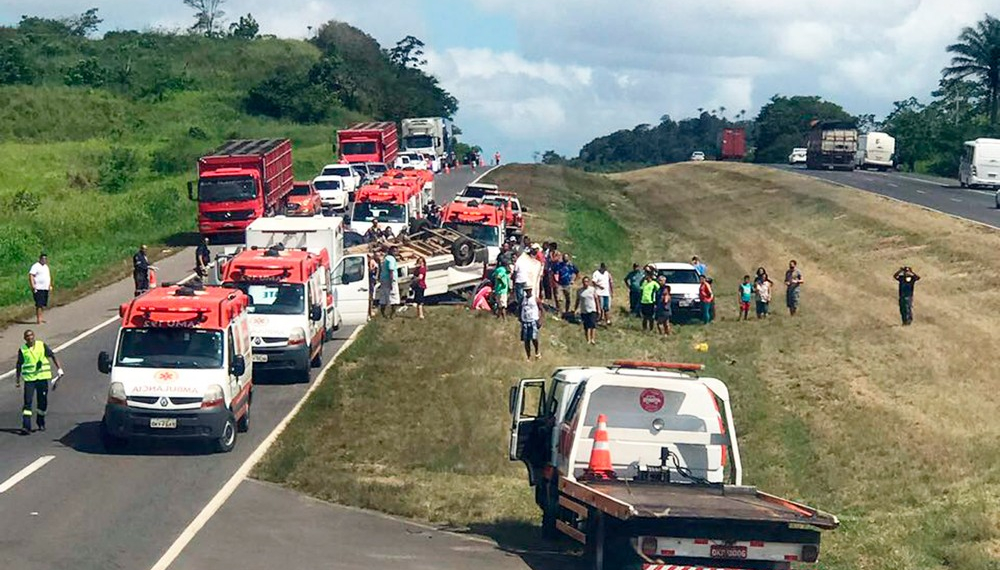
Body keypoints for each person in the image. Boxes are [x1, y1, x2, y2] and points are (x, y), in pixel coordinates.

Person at [15, 330, 63, 435]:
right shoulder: (23, 350)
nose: (30, 338)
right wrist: (17, 380)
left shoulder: (41, 345)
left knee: (42, 401)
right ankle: (26, 426)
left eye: (31, 335)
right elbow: (19, 364)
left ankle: (40, 421)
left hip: (42, 378)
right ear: (25, 338)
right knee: (27, 402)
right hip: (30, 379)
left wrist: (59, 369)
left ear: (34, 336)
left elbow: (52, 355)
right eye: (27, 336)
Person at [519, 286, 543, 360]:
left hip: (533, 320)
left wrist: (540, 320)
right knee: (526, 340)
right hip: (525, 321)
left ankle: (537, 352)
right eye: (526, 290)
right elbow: (520, 308)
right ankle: (528, 356)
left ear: (531, 290)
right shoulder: (522, 299)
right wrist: (520, 317)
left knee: (534, 338)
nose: (527, 292)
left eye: (528, 290)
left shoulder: (535, 299)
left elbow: (541, 309)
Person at [574, 276, 599, 345]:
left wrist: (598, 309)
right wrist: (575, 309)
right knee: (586, 325)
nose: (585, 283)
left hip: (592, 309)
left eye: (587, 281)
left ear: (589, 282)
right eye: (584, 282)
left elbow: (596, 299)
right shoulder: (579, 291)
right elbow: (577, 300)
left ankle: (592, 339)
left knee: (592, 324)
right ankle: (588, 339)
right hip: (584, 310)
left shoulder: (592, 289)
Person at [28, 253, 51, 324]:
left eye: (45, 259)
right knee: (39, 304)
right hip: (38, 288)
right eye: (43, 259)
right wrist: (33, 285)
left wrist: (49, 285)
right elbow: (31, 275)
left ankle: (41, 317)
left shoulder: (46, 267)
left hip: (45, 287)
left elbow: (48, 276)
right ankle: (39, 319)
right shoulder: (36, 266)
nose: (44, 260)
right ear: (40, 259)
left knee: (43, 304)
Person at [379, 246, 401, 319]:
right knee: (394, 298)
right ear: (391, 251)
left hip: (383, 279)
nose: (396, 253)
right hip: (390, 280)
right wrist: (391, 282)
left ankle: (383, 313)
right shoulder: (391, 259)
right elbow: (391, 270)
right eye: (394, 251)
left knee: (384, 297)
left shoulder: (386, 258)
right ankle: (392, 315)